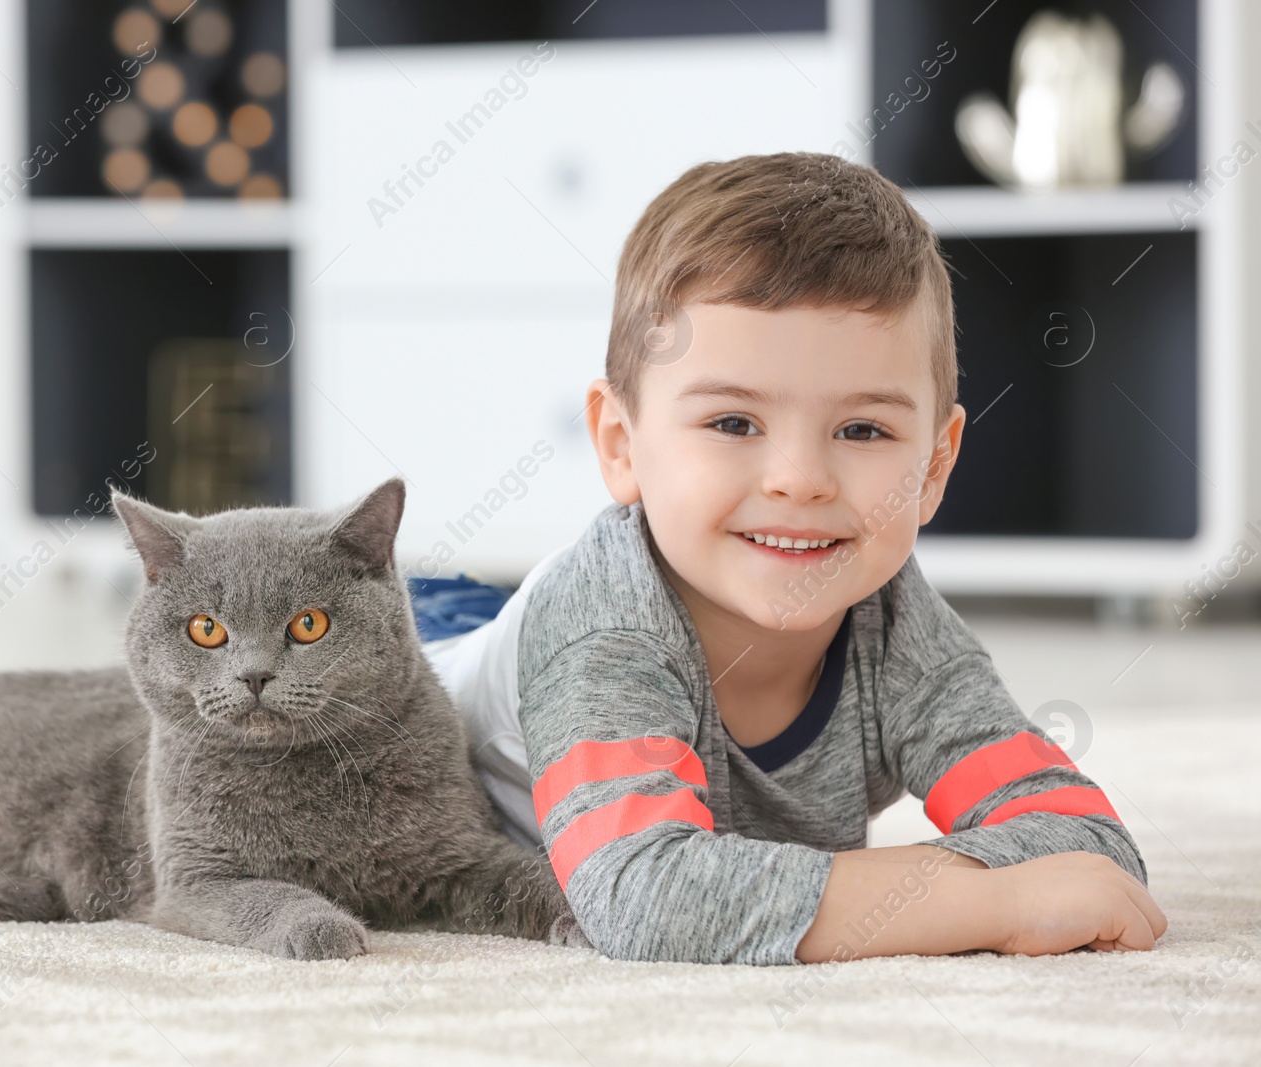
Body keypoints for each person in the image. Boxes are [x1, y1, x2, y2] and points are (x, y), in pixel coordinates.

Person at [421, 152, 1167, 965]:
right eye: (734, 423)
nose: (801, 481)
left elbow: (1086, 847)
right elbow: (646, 899)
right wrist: (992, 902)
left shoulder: (897, 622)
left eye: (862, 430)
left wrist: (840, 890)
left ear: (935, 465)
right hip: (405, 662)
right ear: (620, 443)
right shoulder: (606, 624)